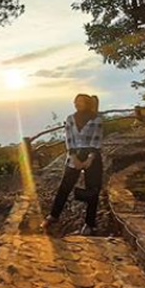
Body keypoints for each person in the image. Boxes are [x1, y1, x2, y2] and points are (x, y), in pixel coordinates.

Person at [42, 93, 103, 236]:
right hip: (73, 156)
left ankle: (89, 224)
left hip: (92, 157)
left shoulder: (97, 120)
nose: (77, 104)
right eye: (76, 101)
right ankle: (53, 216)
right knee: (65, 187)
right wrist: (74, 157)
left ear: (87, 103)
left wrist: (89, 159)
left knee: (92, 190)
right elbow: (69, 139)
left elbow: (96, 140)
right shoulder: (70, 119)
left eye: (80, 101)